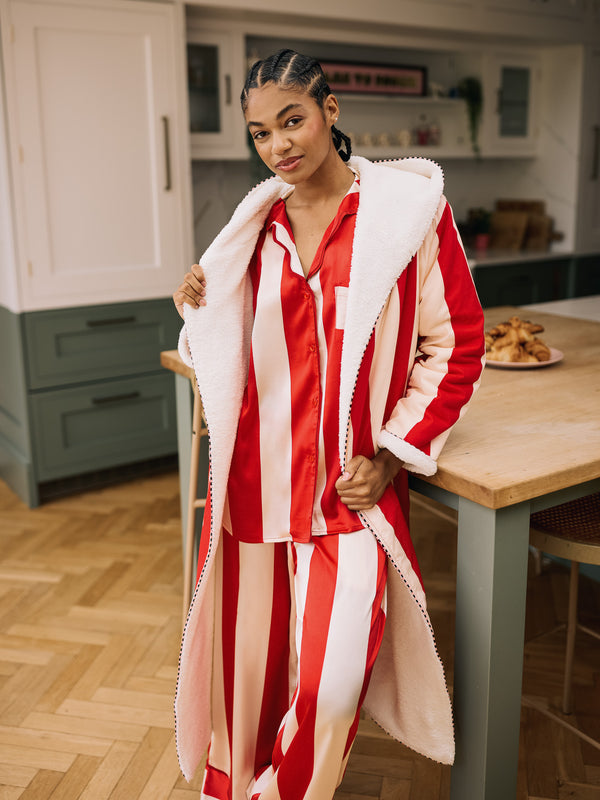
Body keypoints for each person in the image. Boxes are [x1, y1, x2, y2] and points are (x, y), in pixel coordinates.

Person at [173, 49, 485, 800]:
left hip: (347, 500)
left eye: (292, 119)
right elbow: (221, 351)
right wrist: (197, 305)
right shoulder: (256, 230)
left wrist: (392, 453)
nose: (279, 145)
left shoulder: (406, 219)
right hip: (254, 488)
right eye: (260, 133)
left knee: (333, 679)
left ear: (330, 111)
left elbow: (459, 343)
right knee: (247, 681)